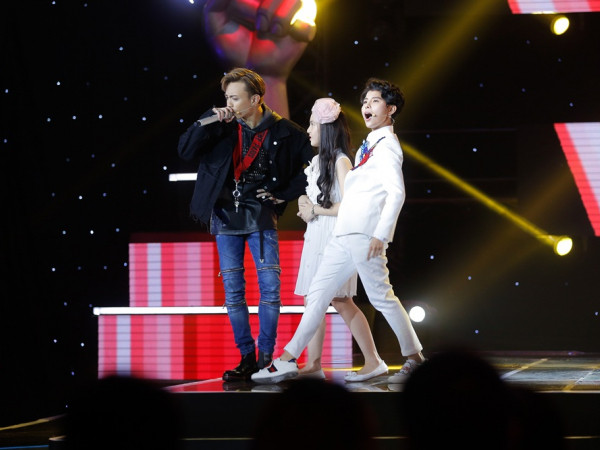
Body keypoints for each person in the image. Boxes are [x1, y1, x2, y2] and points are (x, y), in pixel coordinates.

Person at [252, 77, 426, 384]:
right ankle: (287, 359)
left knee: (382, 297)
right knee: (317, 296)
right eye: (365, 101)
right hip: (344, 233)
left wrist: (381, 234)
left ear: (390, 109)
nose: (367, 106)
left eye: (375, 101)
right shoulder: (368, 145)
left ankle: (415, 359)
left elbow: (396, 193)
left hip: (365, 235)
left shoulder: (387, 147)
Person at [178, 67, 313, 381]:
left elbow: (313, 167)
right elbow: (185, 150)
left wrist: (283, 194)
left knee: (270, 289)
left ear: (255, 100)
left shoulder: (285, 131)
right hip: (225, 216)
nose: (229, 104)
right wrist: (207, 119)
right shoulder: (219, 126)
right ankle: (246, 357)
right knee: (233, 293)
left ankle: (266, 357)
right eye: (227, 97)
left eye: (235, 98)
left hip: (261, 216)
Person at [294, 97, 387, 381]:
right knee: (314, 299)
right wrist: (305, 203)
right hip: (316, 234)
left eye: (313, 124)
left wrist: (316, 210)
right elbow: (312, 197)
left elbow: (350, 206)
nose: (308, 130)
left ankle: (373, 360)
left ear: (326, 129)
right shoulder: (317, 162)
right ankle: (314, 363)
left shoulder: (341, 161)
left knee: (340, 299)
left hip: (334, 236)